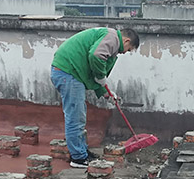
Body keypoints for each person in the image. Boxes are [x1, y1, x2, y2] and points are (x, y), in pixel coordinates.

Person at [51, 27, 140, 168]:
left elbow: (93, 67)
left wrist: (105, 93)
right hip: (68, 73)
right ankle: (78, 158)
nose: (125, 52)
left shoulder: (109, 38)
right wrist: (101, 77)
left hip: (71, 73)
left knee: (78, 115)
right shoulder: (113, 38)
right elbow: (96, 56)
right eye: (128, 49)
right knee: (75, 116)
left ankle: (81, 152)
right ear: (126, 40)